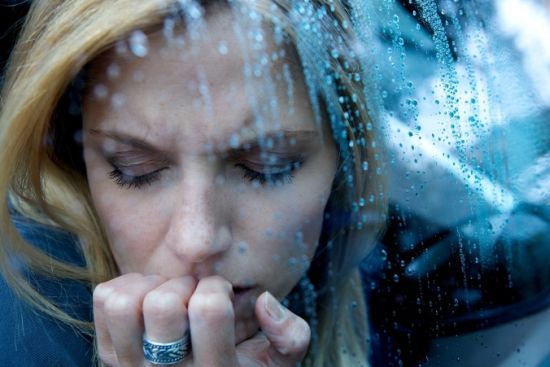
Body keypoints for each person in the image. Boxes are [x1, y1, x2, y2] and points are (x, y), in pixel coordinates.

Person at [0, 0, 386, 366]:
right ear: (73, 155)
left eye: (268, 166)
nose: (197, 240)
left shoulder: (405, 281)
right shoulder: (21, 322)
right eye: (136, 169)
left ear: (344, 156)